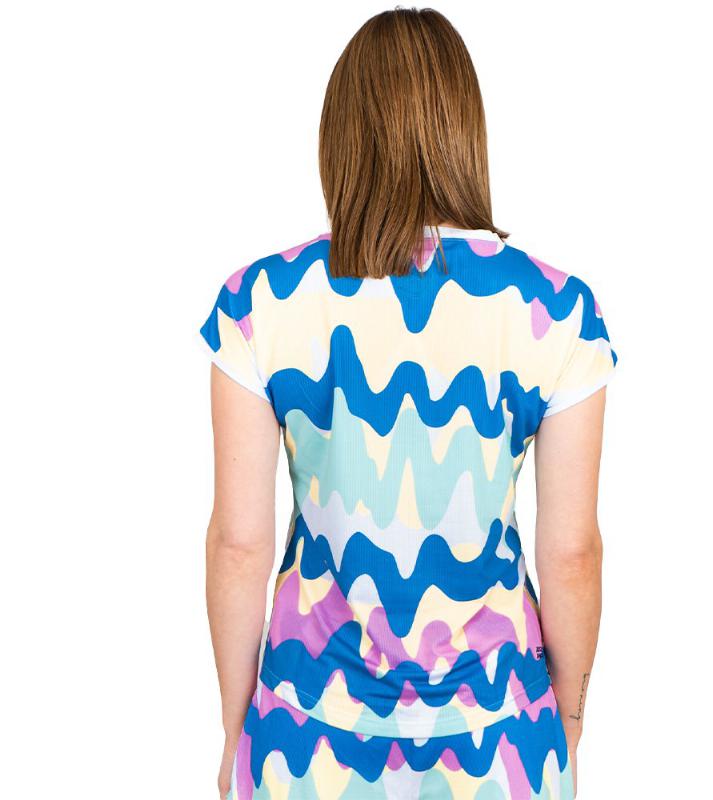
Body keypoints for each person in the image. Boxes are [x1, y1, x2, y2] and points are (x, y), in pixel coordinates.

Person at [197, 8, 617, 799]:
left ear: (341, 136)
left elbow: (238, 545)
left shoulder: (261, 302)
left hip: (306, 738)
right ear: (464, 131)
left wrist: (235, 728)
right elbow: (573, 555)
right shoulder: (558, 310)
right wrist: (566, 724)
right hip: (500, 739)